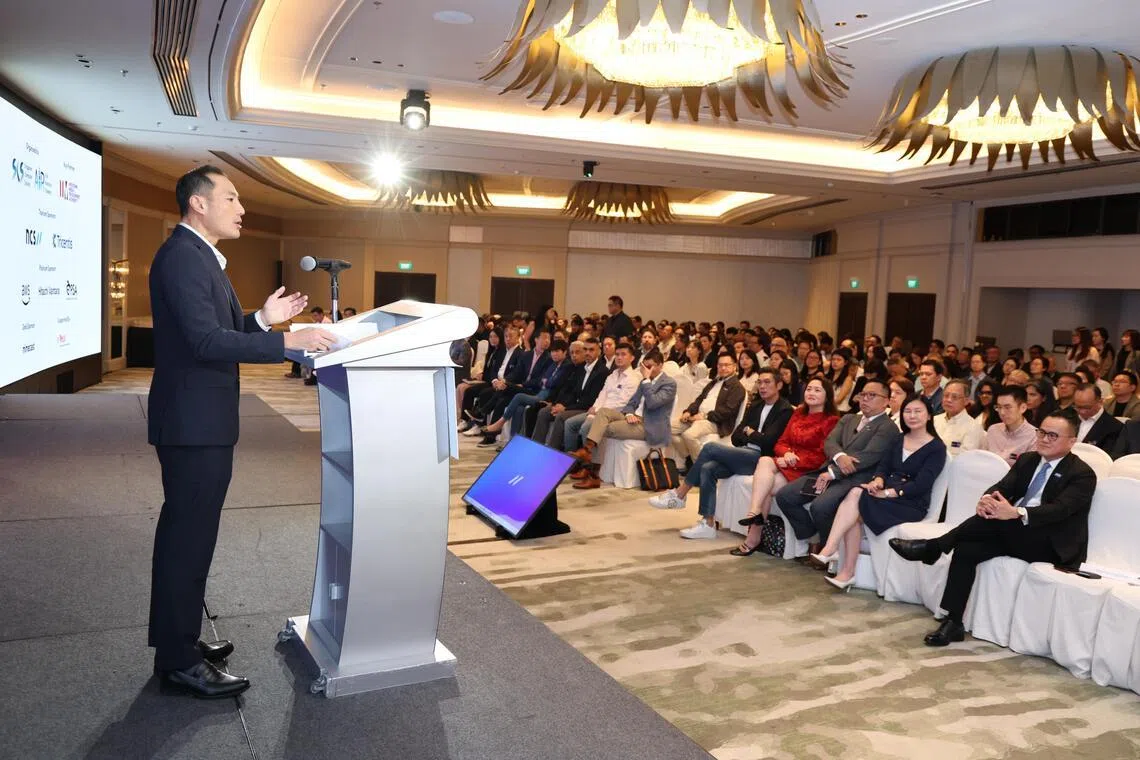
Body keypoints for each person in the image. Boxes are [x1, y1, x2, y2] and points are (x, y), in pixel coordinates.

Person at [147, 166, 336, 698]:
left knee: (189, 537)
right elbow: (206, 343)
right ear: (199, 204)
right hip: (192, 424)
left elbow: (212, 335)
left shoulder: (198, 255)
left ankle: (176, 640)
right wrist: (286, 342)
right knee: (187, 539)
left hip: (197, 419)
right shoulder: (184, 257)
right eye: (231, 197)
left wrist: (261, 319)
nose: (242, 207)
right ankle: (178, 660)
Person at [890, 410, 1096, 647]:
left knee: (996, 521)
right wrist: (987, 499)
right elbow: (1002, 487)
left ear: (1072, 442)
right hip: (1015, 534)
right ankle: (953, 621)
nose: (1044, 439)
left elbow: (1059, 510)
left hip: (1050, 544)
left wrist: (1016, 512)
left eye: (1053, 435)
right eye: (1041, 432)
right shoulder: (1029, 460)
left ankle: (935, 547)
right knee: (967, 548)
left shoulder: (1082, 474)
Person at [810, 395, 947, 590]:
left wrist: (889, 492)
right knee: (856, 498)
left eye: (918, 411)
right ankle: (839, 563)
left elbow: (921, 485)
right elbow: (884, 466)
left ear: (929, 416)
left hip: (909, 503)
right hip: (884, 494)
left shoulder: (936, 448)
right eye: (907, 411)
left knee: (856, 499)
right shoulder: (899, 438)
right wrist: (878, 480)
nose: (912, 416)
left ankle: (836, 557)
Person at [650, 369, 793, 538]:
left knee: (710, 448)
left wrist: (749, 433)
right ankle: (708, 524)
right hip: (744, 452)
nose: (762, 386)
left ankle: (680, 494)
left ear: (779, 385)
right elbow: (737, 436)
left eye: (767, 382)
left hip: (763, 460)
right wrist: (751, 434)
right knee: (708, 468)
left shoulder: (785, 410)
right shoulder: (756, 405)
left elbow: (769, 443)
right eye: (759, 382)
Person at [772, 380, 900, 549]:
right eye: (863, 394)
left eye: (872, 395)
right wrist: (839, 456)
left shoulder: (888, 427)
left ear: (886, 401)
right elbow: (830, 442)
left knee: (820, 507)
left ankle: (827, 552)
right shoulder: (849, 418)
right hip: (828, 471)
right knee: (785, 496)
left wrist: (833, 472)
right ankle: (812, 538)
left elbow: (868, 457)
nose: (865, 399)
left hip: (855, 479)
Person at [731, 377, 840, 555]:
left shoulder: (831, 421)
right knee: (765, 460)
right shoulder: (798, 413)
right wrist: (786, 454)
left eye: (817, 390)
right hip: (786, 462)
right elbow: (781, 442)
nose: (811, 393)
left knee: (765, 485)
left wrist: (793, 460)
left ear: (827, 396)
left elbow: (823, 455)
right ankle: (754, 513)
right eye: (809, 389)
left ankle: (753, 537)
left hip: (807, 470)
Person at [571, 349, 676, 489]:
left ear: (660, 365)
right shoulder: (645, 381)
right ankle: (587, 449)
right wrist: (629, 414)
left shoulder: (669, 383)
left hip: (649, 425)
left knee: (605, 428)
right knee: (602, 413)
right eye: (644, 366)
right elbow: (631, 404)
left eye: (650, 366)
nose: (646, 370)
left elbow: (653, 403)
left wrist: (645, 381)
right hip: (633, 418)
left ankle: (593, 473)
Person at [671, 353, 746, 468]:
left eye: (727, 365)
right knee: (667, 428)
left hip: (716, 423)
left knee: (688, 435)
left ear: (734, 366)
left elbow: (727, 411)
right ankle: (689, 457)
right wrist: (689, 411)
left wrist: (705, 416)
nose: (723, 368)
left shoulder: (737, 387)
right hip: (696, 417)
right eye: (720, 365)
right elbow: (699, 400)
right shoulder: (714, 382)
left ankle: (700, 468)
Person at [984, 386, 1037, 466]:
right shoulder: (993, 430)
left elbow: (1028, 470)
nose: (1002, 412)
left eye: (1007, 407)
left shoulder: (1034, 436)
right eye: (999, 407)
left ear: (1023, 408)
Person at [933, 379, 984, 458]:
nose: (949, 400)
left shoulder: (973, 427)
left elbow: (965, 460)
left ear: (966, 401)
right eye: (946, 395)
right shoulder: (934, 420)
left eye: (954, 397)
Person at [1073, 383, 1123, 455]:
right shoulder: (1067, 418)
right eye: (1078, 407)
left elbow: (1106, 457)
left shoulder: (1115, 427)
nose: (1082, 411)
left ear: (1100, 402)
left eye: (1087, 407)